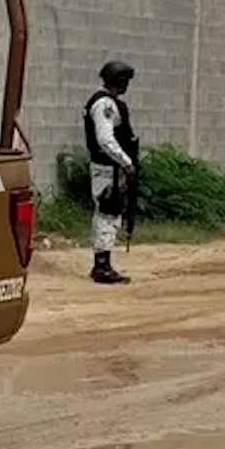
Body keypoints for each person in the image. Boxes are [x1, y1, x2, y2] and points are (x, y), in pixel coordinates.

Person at [84, 59, 140, 285]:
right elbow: (105, 139)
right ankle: (102, 266)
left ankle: (102, 263)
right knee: (108, 212)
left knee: (109, 212)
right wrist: (126, 163)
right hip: (109, 169)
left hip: (110, 168)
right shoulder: (105, 104)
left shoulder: (107, 102)